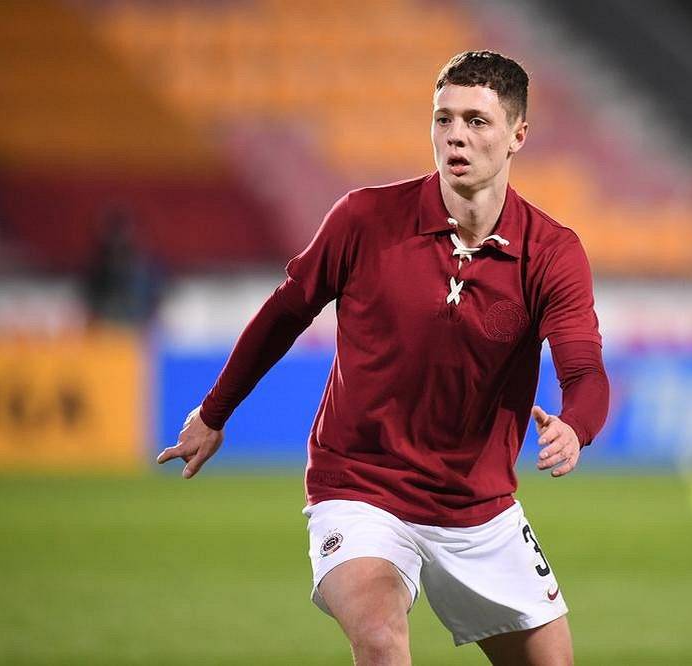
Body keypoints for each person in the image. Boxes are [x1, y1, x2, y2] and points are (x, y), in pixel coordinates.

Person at [157, 50, 610, 665]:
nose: (455, 135)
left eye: (477, 121)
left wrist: (576, 426)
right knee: (380, 640)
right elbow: (285, 313)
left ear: (517, 136)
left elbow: (584, 370)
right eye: (443, 118)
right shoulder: (364, 219)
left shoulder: (551, 252)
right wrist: (214, 412)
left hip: (477, 506)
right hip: (360, 485)